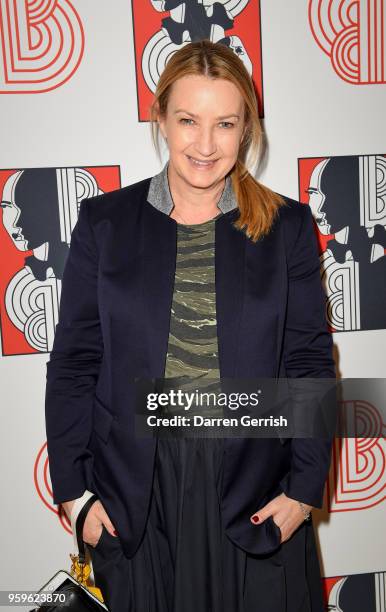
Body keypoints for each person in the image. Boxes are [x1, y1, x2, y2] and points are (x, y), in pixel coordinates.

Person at [45, 39, 336, 612]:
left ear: (246, 128)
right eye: (188, 121)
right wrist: (74, 491)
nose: (205, 145)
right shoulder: (104, 224)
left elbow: (308, 362)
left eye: (225, 124)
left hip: (254, 491)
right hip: (136, 499)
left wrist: (304, 491)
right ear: (160, 118)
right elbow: (76, 364)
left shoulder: (289, 227)